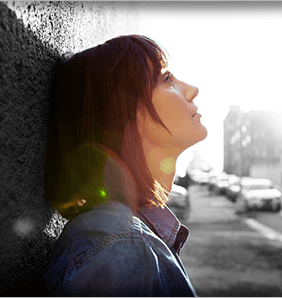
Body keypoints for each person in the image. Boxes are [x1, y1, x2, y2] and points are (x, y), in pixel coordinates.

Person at [43, 35, 207, 296]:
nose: (192, 89)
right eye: (166, 79)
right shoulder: (122, 248)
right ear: (125, 110)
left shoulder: (126, 240)